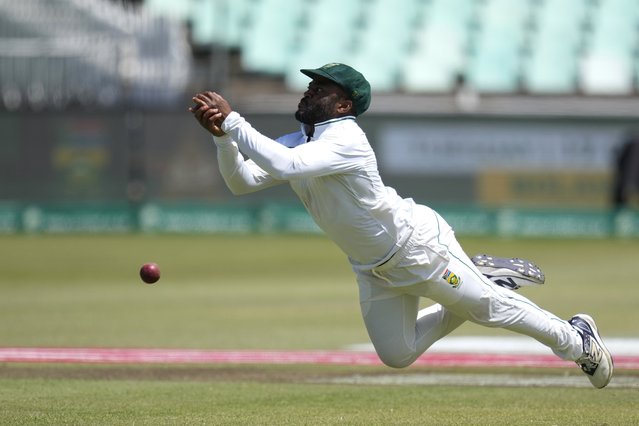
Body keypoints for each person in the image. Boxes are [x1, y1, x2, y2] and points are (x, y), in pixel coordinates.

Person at [190, 63, 613, 388]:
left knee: (488, 309)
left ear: (343, 105)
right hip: (371, 267)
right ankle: (487, 281)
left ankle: (578, 341)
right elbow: (242, 182)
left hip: (417, 247)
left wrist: (234, 121)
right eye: (311, 84)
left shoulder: (346, 137)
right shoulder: (299, 140)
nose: (309, 90)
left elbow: (285, 165)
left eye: (320, 88)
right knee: (397, 354)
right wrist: (223, 140)